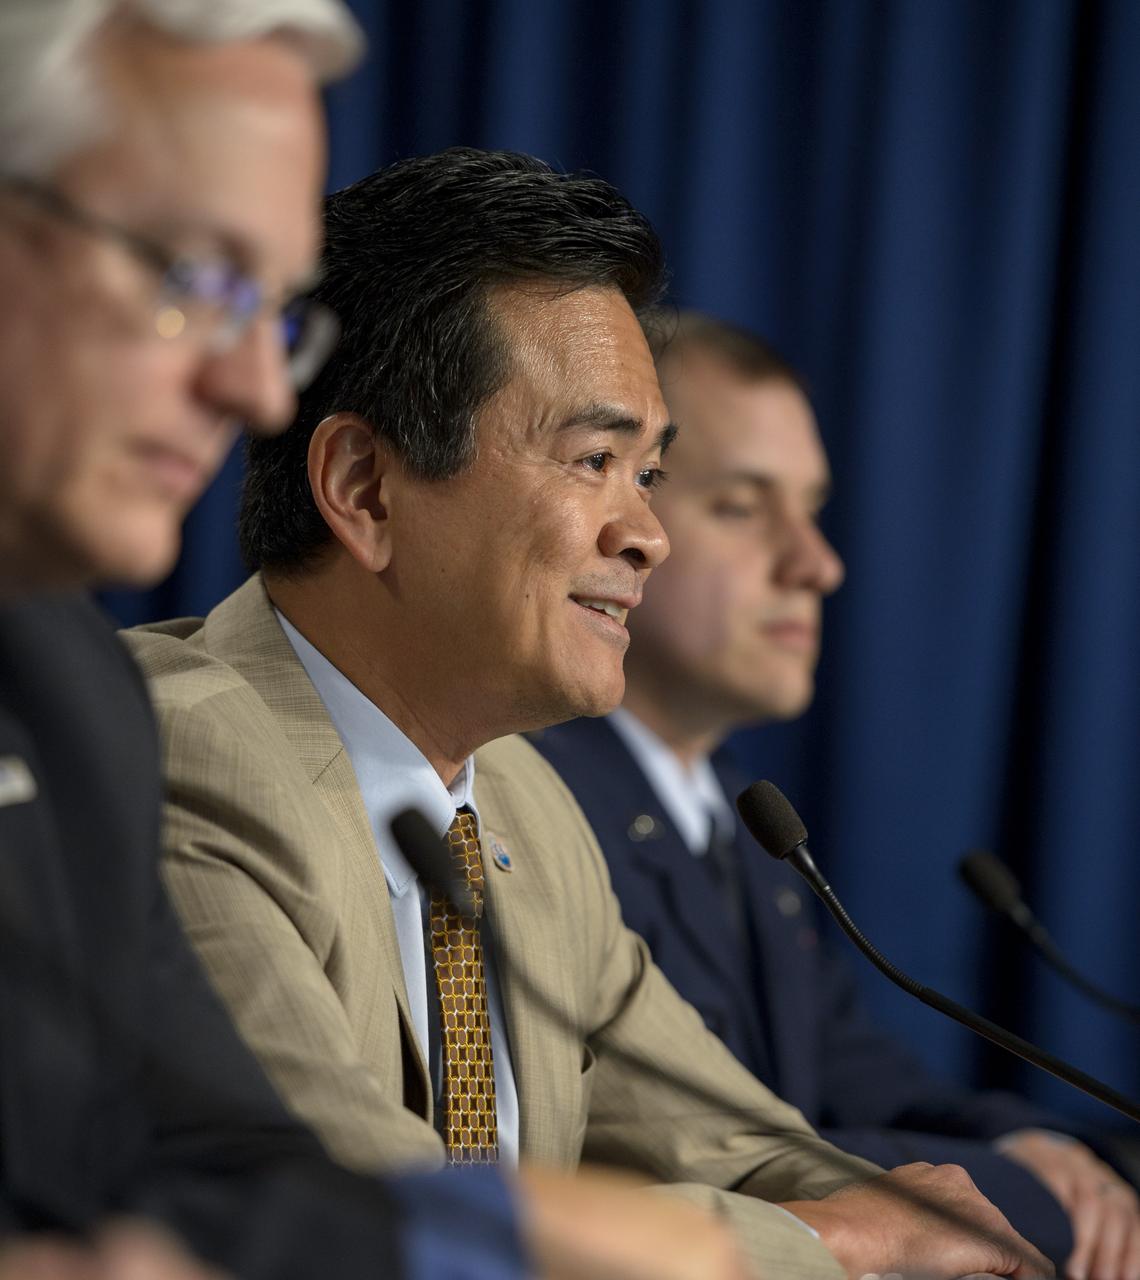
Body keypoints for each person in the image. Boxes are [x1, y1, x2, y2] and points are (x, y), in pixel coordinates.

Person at [127, 148, 1050, 1279]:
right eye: (595, 459)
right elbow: (369, 1221)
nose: (646, 535)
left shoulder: (518, 802)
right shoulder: (178, 759)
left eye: (649, 475)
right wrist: (836, 1237)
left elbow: (738, 1138)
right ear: (366, 488)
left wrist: (929, 1229)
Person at [0, 5, 745, 1278]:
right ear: (367, 490)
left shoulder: (67, 692)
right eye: (192, 277)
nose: (255, 389)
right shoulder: (180, 733)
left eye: (271, 310)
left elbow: (222, 1164)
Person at [531, 309, 1140, 1278]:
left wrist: (1048, 1148)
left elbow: (856, 1069)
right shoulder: (533, 805)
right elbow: (710, 1165)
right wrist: (1022, 1187)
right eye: (741, 504)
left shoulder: (741, 819)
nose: (817, 563)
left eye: (811, 507)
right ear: (620, 514)